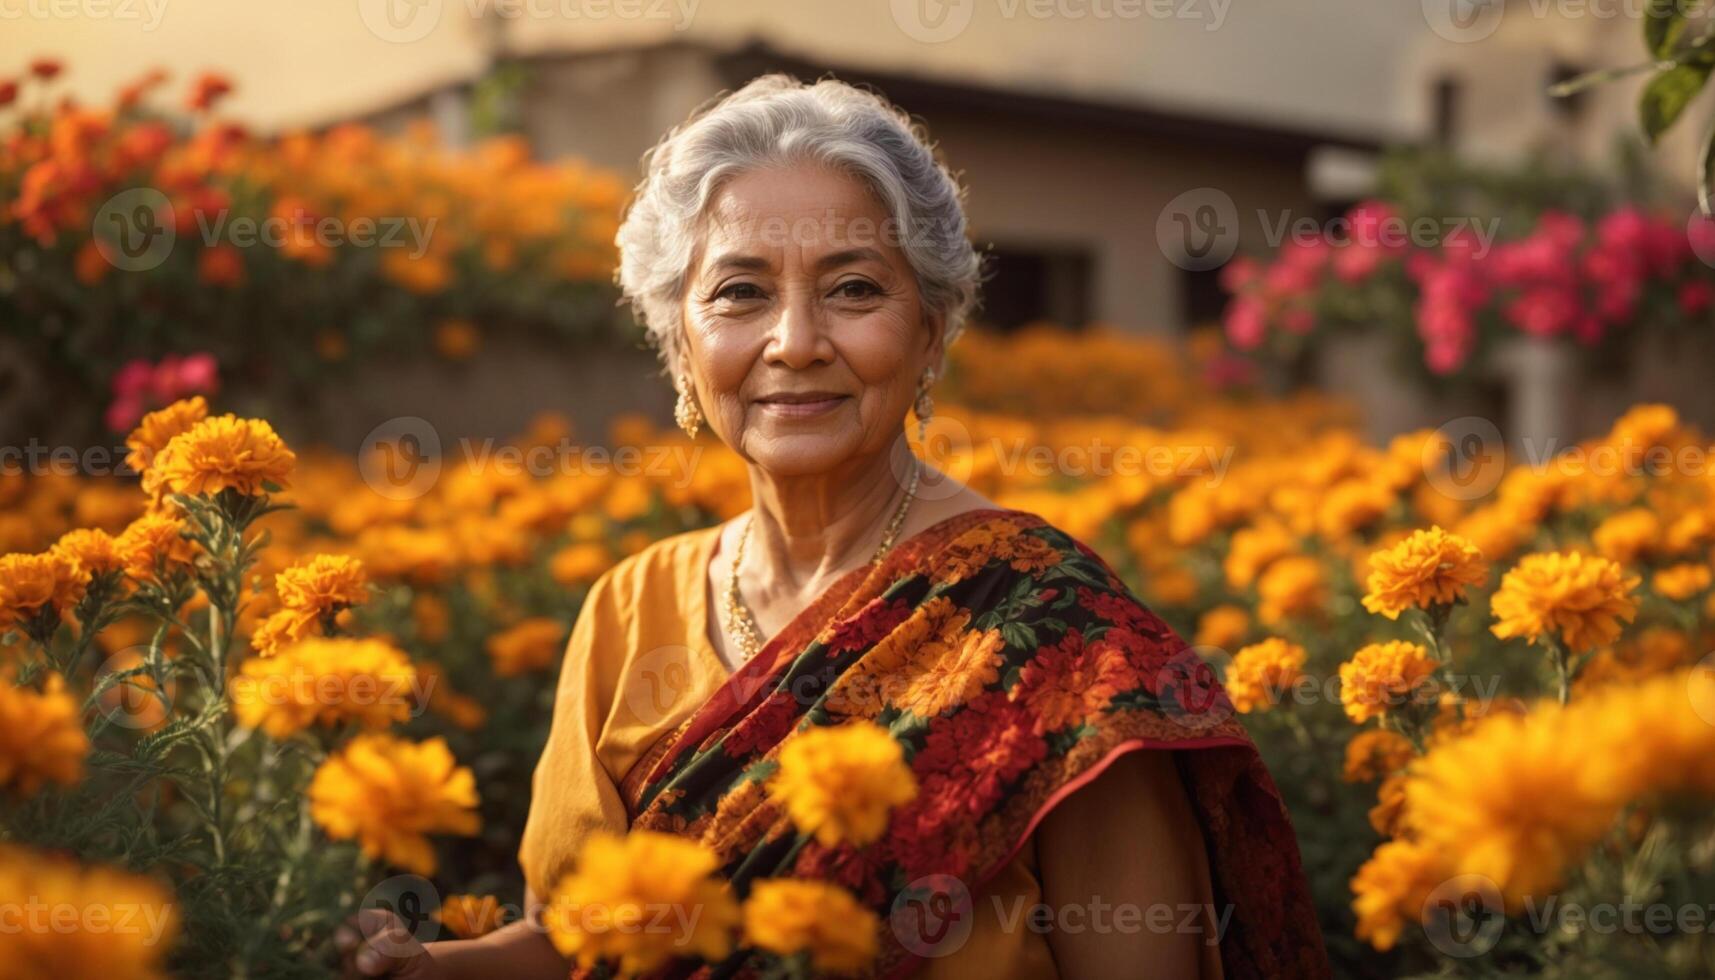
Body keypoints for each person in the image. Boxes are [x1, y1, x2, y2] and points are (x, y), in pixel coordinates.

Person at [339, 73, 1327, 980]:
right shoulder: (628, 609)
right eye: (739, 292)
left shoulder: (1047, 631)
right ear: (679, 345)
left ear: (930, 332)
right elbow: (582, 942)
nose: (796, 342)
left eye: (854, 289)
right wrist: (434, 967)